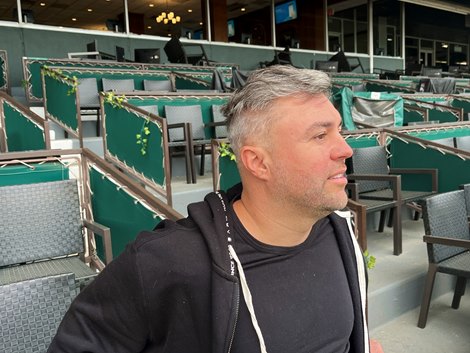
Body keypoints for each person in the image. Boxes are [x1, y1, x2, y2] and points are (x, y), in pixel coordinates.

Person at [48, 65, 377, 353]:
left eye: (339, 130)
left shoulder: (341, 234)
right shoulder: (167, 261)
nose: (345, 149)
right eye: (321, 136)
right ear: (258, 162)